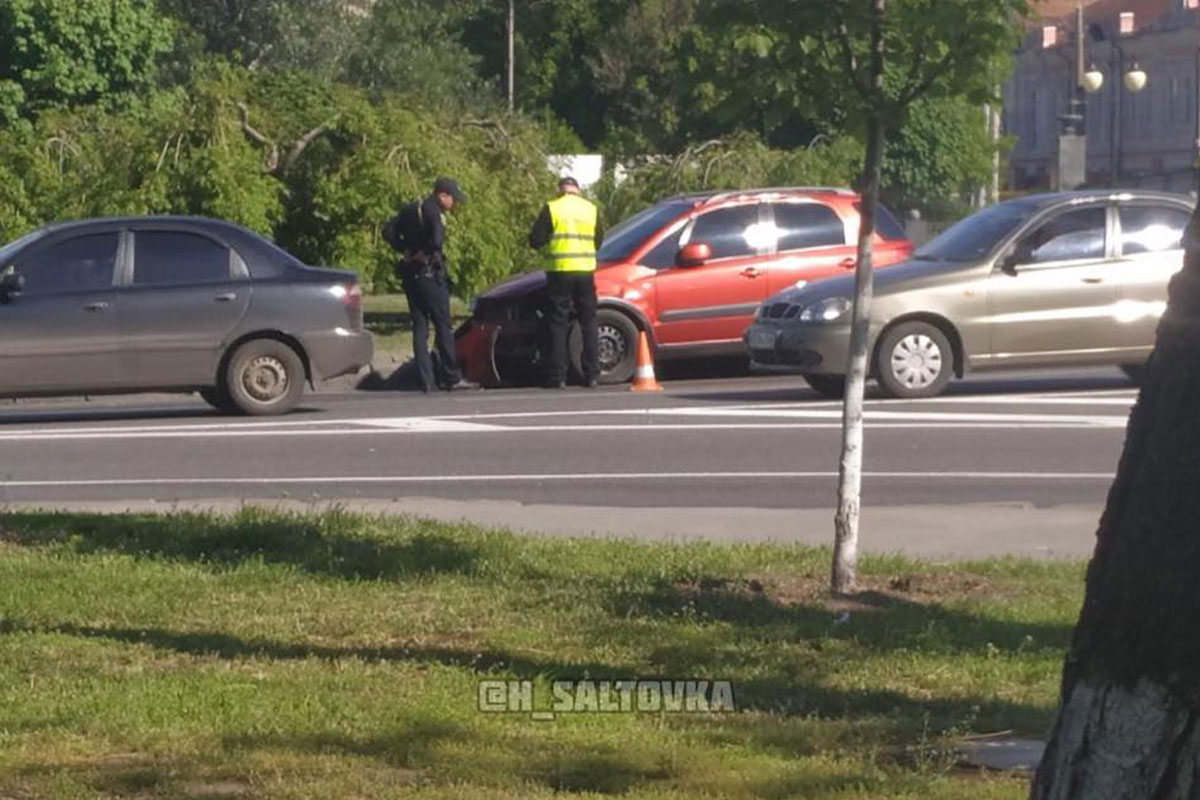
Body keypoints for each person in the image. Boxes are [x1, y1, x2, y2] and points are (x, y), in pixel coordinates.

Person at [388, 178, 478, 393]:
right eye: (453, 199)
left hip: (411, 276)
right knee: (443, 325)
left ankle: (426, 379)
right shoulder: (433, 212)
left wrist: (405, 249)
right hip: (430, 274)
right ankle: (451, 377)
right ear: (442, 195)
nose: (454, 204)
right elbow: (437, 241)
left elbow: (388, 231)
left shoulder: (412, 208)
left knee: (420, 326)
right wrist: (423, 251)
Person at [528, 176, 603, 388]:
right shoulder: (590, 209)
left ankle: (558, 375)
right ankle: (592, 374)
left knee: (558, 322)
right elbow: (598, 240)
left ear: (560, 191)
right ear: (577, 190)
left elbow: (535, 239)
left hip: (560, 271)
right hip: (585, 271)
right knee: (588, 321)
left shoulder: (553, 208)